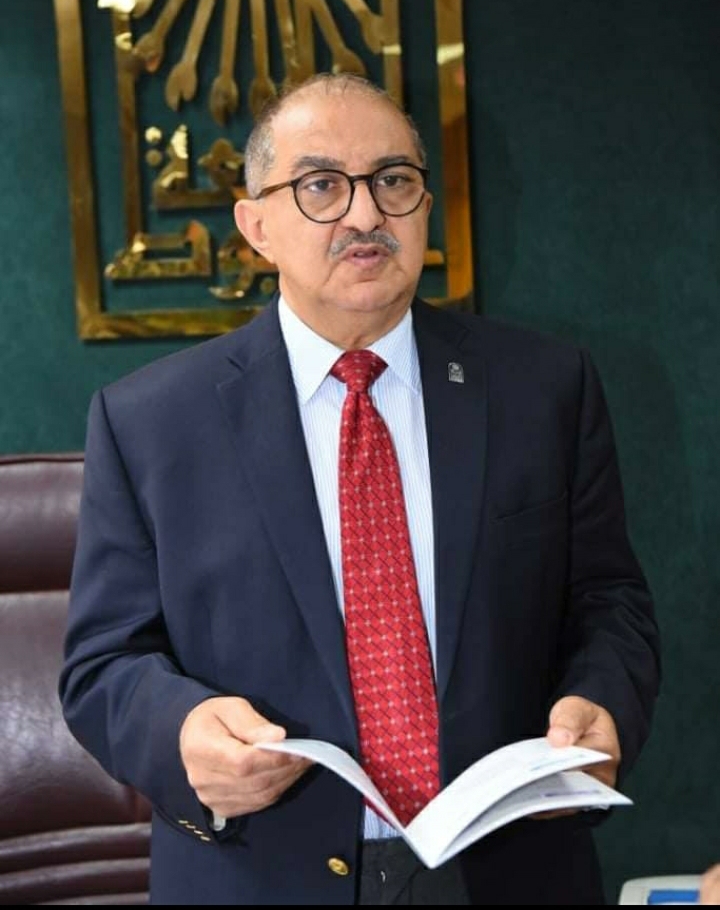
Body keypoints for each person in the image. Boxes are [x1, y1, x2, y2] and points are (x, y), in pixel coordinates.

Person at [60, 72, 660, 905]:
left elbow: (609, 600)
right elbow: (102, 664)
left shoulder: (544, 388)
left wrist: (604, 700)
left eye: (393, 180)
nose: (365, 213)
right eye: (320, 186)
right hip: (260, 875)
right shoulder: (148, 423)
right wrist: (180, 730)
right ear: (255, 226)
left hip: (509, 870)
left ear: (425, 207)